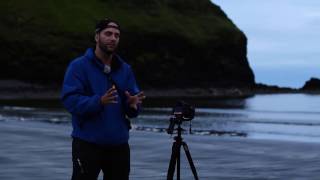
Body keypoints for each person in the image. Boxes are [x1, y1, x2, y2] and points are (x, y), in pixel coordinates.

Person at [61, 18, 145, 180]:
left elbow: (132, 103)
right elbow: (70, 100)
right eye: (108, 34)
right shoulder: (79, 66)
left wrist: (133, 105)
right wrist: (98, 101)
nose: (113, 38)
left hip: (119, 146)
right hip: (87, 144)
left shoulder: (125, 69)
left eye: (117, 35)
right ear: (97, 37)